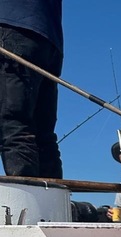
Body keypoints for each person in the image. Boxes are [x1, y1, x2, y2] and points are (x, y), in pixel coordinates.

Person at [0, 0, 63, 178]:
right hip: (48, 37)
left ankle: (26, 194)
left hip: (12, 27)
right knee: (43, 135)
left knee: (13, 124)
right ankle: (52, 194)